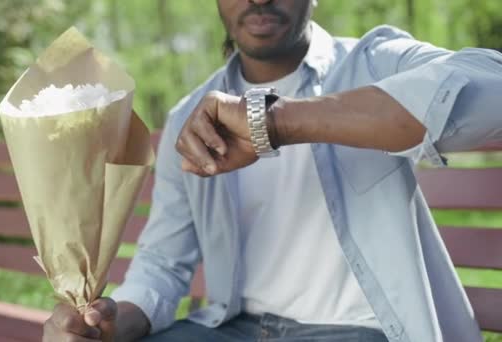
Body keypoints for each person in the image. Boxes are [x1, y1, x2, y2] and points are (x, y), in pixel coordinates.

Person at [43, 0, 502, 341]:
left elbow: (493, 85)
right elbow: (161, 266)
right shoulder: (191, 119)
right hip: (232, 329)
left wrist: (275, 122)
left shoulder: (373, 63)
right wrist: (104, 323)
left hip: (358, 331)